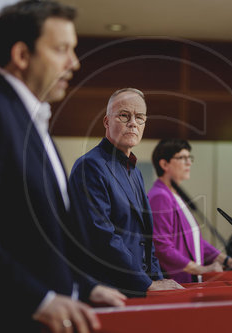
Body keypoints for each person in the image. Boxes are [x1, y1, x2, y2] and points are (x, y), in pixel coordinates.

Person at [0, 2, 125, 333]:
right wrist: (40, 300)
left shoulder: (28, 120)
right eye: (61, 50)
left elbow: (42, 238)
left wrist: (86, 287)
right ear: (21, 55)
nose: (75, 63)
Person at [67, 88, 183, 296]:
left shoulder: (135, 172)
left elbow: (147, 239)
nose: (133, 123)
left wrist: (157, 279)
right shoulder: (90, 166)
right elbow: (101, 236)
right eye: (124, 115)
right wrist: (146, 284)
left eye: (140, 118)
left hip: (139, 289)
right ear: (106, 122)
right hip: (109, 291)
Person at [148, 139, 232, 283]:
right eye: (183, 158)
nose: (189, 162)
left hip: (190, 281)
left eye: (190, 158)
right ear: (164, 164)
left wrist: (229, 261)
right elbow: (162, 247)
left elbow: (196, 242)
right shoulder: (160, 196)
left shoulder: (175, 196)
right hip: (176, 285)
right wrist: (202, 269)